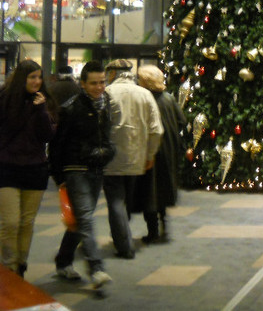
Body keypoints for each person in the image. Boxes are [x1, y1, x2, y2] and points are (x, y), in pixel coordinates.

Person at [49, 61, 114, 288]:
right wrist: (60, 178)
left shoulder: (106, 105)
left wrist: (108, 152)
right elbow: (57, 146)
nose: (99, 87)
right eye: (94, 83)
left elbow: (106, 137)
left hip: (96, 169)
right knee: (85, 218)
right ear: (83, 84)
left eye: (102, 82)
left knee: (79, 220)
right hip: (75, 169)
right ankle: (96, 268)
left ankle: (63, 261)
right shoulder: (71, 108)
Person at [0, 60, 57, 277]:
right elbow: (11, 128)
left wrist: (41, 110)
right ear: (21, 78)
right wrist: (28, 109)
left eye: (39, 77)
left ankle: (20, 266)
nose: (37, 81)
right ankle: (8, 266)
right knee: (10, 222)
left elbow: (47, 136)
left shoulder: (43, 102)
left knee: (26, 222)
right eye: (32, 77)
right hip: (7, 167)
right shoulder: (5, 99)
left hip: (35, 169)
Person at [103, 59, 163, 258]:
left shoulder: (108, 93)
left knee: (115, 201)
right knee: (126, 198)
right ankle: (123, 235)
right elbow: (156, 130)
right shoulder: (145, 94)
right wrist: (150, 155)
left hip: (112, 158)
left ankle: (124, 245)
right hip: (137, 158)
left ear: (113, 73)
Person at [134, 65, 186, 244]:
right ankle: (164, 225)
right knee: (163, 187)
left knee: (149, 189)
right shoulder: (169, 98)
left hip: (151, 149)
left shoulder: (144, 99)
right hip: (169, 148)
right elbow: (182, 121)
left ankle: (152, 231)